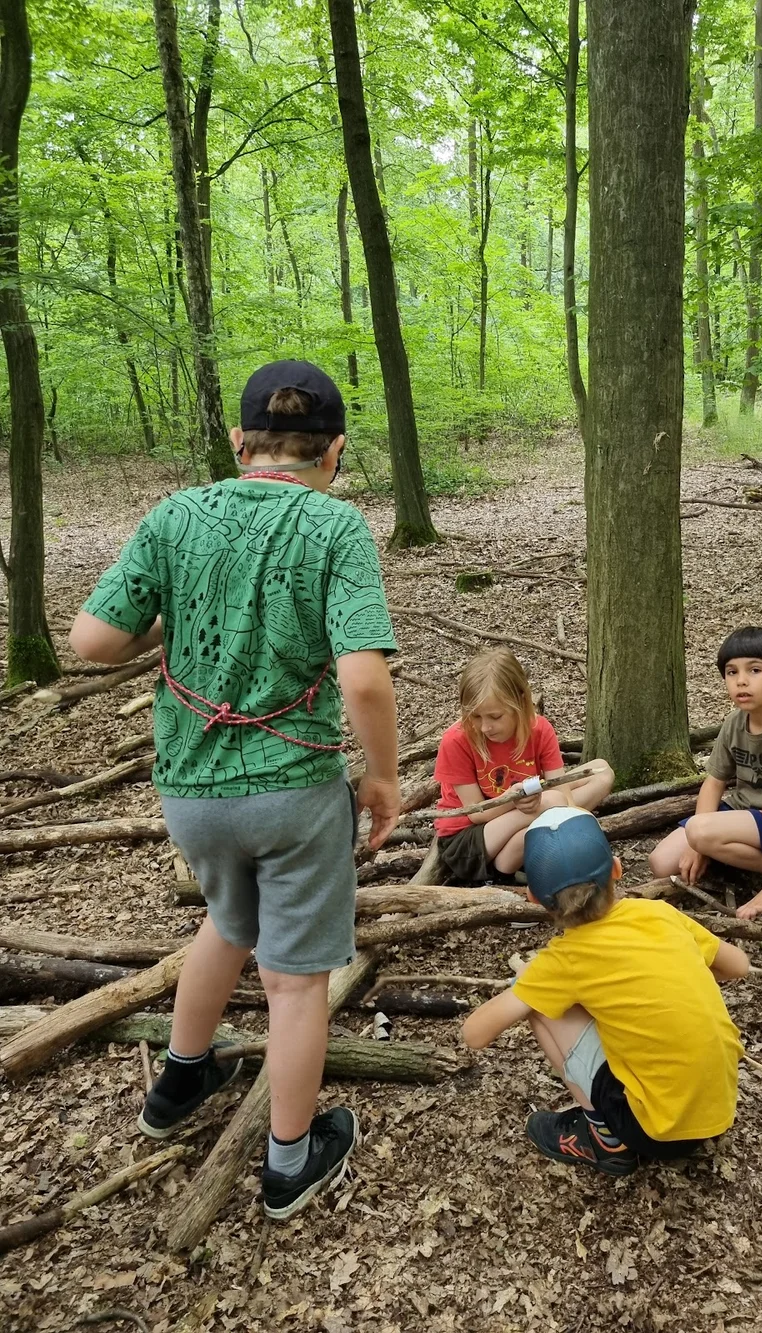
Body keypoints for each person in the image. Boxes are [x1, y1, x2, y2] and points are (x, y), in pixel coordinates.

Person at [69, 360, 400, 1222]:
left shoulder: (174, 516)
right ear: (333, 451)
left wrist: (176, 621)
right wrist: (385, 776)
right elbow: (363, 679)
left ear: (237, 442)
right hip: (294, 789)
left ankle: (179, 1083)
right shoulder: (336, 526)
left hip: (192, 791)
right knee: (294, 983)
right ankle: (291, 1161)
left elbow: (91, 641)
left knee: (225, 920)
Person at [462, 808, 747, 1174]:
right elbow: (737, 965)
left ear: (533, 897)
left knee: (540, 1005)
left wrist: (529, 980)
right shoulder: (658, 914)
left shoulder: (565, 961)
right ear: (617, 869)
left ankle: (606, 1142)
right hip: (719, 1107)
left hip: (655, 1132)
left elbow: (474, 1034)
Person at [649, 626, 762, 921]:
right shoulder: (736, 722)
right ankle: (727, 855)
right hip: (745, 813)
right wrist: (699, 848)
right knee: (662, 862)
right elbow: (714, 782)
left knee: (699, 831)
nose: (741, 680)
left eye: (755, 670)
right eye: (732, 672)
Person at [432, 648, 614, 884]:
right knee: (552, 802)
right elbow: (476, 812)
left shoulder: (539, 729)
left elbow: (563, 791)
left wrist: (576, 826)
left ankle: (519, 858)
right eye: (475, 717)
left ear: (520, 702)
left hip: (522, 813)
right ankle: (504, 870)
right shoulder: (456, 740)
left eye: (495, 717)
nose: (485, 727)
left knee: (601, 771)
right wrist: (512, 799)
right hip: (469, 839)